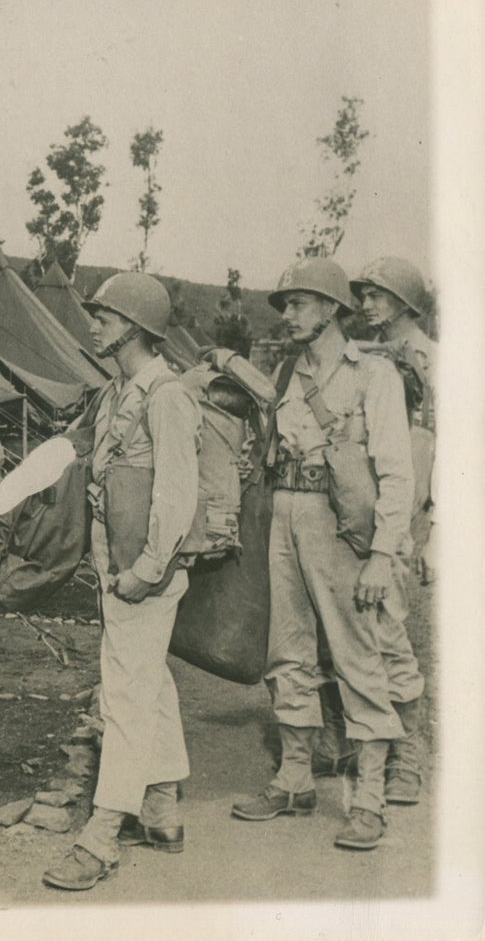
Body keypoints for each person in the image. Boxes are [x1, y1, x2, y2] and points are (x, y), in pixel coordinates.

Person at [231, 258, 414, 852]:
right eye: (284, 305)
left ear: (332, 308)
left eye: (299, 303)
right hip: (285, 510)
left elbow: (395, 472)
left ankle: (369, 800)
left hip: (339, 526)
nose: (287, 314)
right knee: (287, 651)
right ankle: (293, 779)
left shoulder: (372, 375)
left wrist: (383, 554)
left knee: (359, 655)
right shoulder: (285, 372)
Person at [42, 272, 200, 892]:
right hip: (122, 566)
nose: (93, 324)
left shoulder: (166, 395)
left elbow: (177, 496)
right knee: (148, 682)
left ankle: (103, 833)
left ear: (134, 325)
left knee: (125, 694)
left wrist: (147, 570)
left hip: (145, 571)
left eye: (104, 316)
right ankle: (161, 808)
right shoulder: (117, 390)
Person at [348, 256, 433, 805]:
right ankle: (362, 744)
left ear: (405, 302)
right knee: (362, 629)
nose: (367, 304)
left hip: (411, 512)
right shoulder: (373, 358)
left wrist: (438, 530)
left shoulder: (431, 360)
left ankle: (408, 756)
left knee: (390, 633)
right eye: (364, 295)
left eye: (379, 295)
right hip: (375, 510)